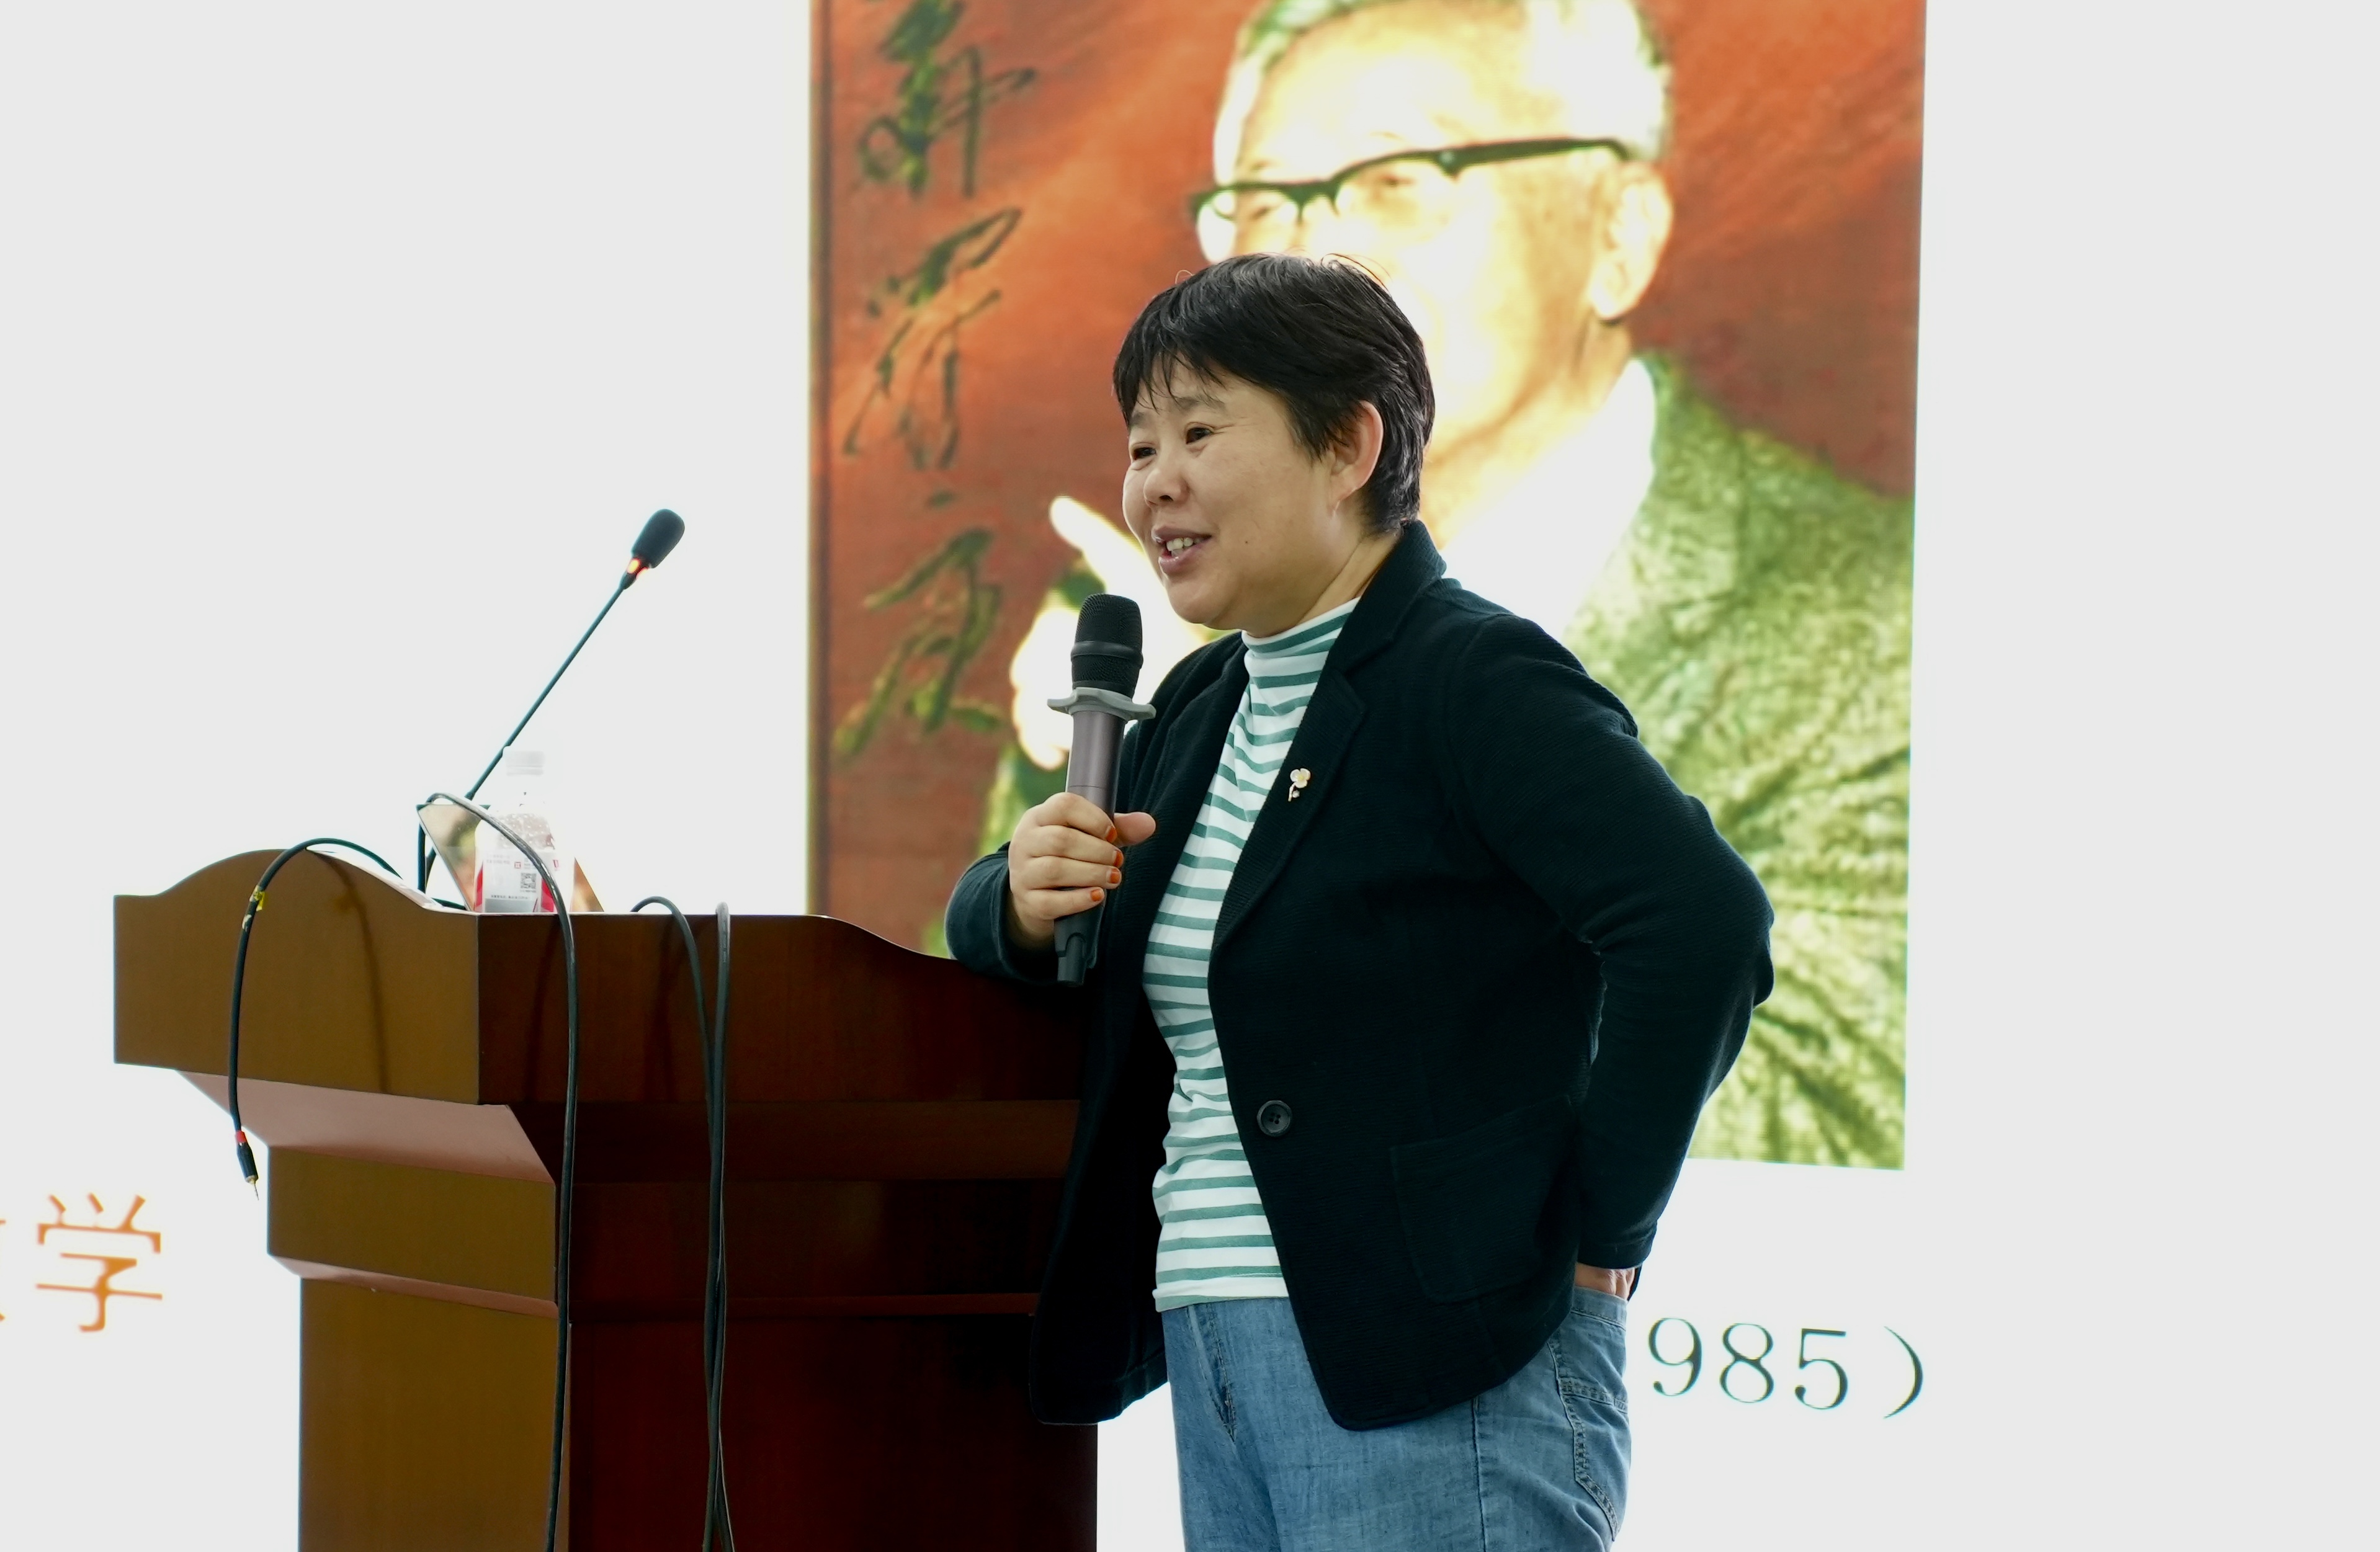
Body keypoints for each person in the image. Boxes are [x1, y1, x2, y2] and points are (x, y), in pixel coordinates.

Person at [990, 0, 1911, 1169]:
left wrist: (1593, 1230)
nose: (1316, 259)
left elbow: (1822, 1103)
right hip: (1181, 1281)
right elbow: (1028, 1060)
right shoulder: (1179, 662)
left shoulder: (1872, 619)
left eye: (1398, 180)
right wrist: (1016, 906)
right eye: (1267, 202)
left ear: (1620, 231)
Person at [947, 254, 1771, 1550]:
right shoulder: (1199, 709)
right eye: (1140, 444)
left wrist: (1598, 1233)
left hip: (1438, 1366)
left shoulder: (1469, 676)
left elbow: (1702, 924)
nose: (1154, 482)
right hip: (1215, 1344)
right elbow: (1030, 933)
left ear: (1348, 446)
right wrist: (1014, 900)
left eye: (1199, 434)